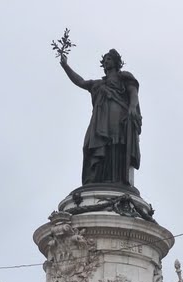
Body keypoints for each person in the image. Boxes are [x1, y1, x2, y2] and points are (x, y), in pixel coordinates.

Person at [59, 49, 141, 186]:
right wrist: (66, 66)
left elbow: (133, 93)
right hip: (100, 119)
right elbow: (80, 81)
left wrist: (133, 107)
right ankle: (96, 178)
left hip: (118, 115)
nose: (106, 62)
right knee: (90, 145)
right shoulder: (98, 84)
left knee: (116, 144)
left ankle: (117, 179)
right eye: (104, 60)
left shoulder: (124, 77)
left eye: (109, 59)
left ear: (116, 62)